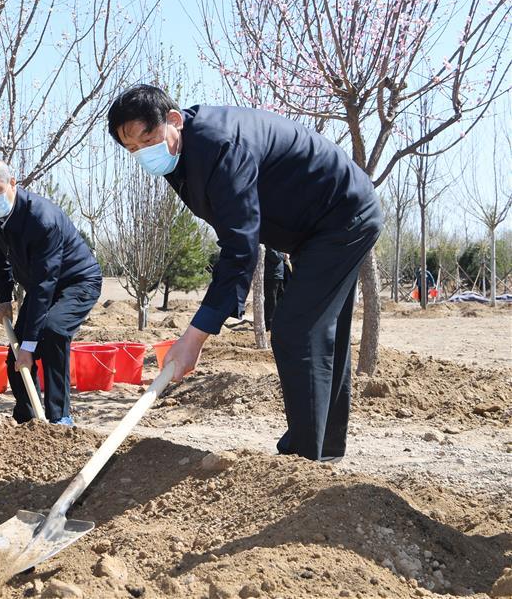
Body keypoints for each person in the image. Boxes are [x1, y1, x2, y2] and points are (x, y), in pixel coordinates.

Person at [107, 85, 382, 462]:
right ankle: (324, 452)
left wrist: (194, 337)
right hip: (315, 227)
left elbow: (240, 249)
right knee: (319, 333)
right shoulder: (181, 153)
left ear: (173, 119)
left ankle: (306, 460)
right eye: (133, 149)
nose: (143, 153)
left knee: (296, 330)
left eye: (148, 139)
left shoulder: (220, 146)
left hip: (343, 215)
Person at [0, 157, 102, 426]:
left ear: (12, 183)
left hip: (77, 281)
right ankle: (29, 420)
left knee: (54, 332)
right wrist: (4, 300)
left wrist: (30, 346)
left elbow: (45, 283)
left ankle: (59, 417)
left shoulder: (42, 219)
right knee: (16, 355)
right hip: (41, 285)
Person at [263, 248, 287, 331]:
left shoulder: (277, 246)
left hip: (279, 275)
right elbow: (275, 257)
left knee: (280, 299)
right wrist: (283, 255)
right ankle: (269, 323)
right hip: (271, 276)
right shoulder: (268, 244)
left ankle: (277, 321)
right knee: (271, 301)